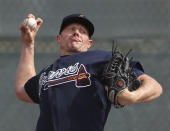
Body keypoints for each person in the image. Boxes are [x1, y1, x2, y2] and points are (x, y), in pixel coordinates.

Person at [15, 13, 162, 131]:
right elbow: (23, 90)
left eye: (83, 31)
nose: (76, 32)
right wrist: (28, 45)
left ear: (89, 43)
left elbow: (155, 86)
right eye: (71, 29)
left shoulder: (102, 58)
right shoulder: (47, 72)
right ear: (59, 39)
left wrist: (132, 96)